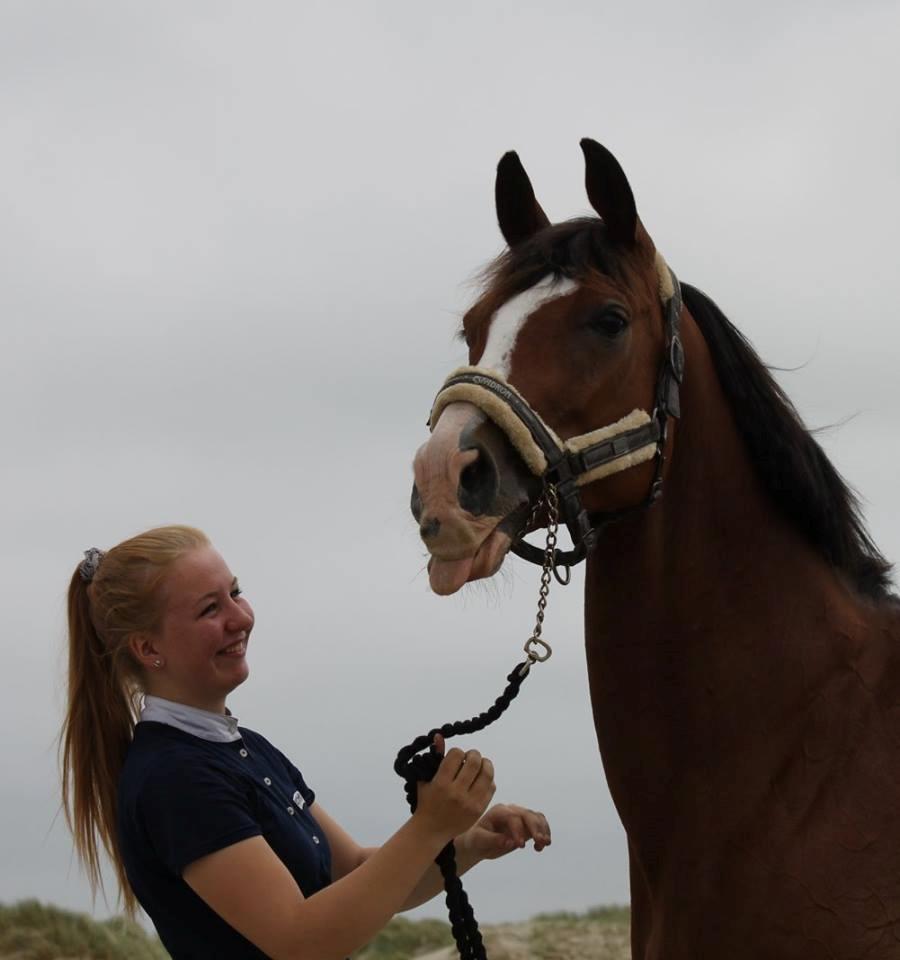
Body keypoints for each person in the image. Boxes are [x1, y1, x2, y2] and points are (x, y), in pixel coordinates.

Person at [60, 525, 551, 960]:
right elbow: (300, 942)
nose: (241, 617)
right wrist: (429, 826)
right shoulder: (175, 778)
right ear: (148, 648)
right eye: (210, 608)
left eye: (235, 593)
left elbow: (353, 872)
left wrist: (466, 844)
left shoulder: (244, 748)